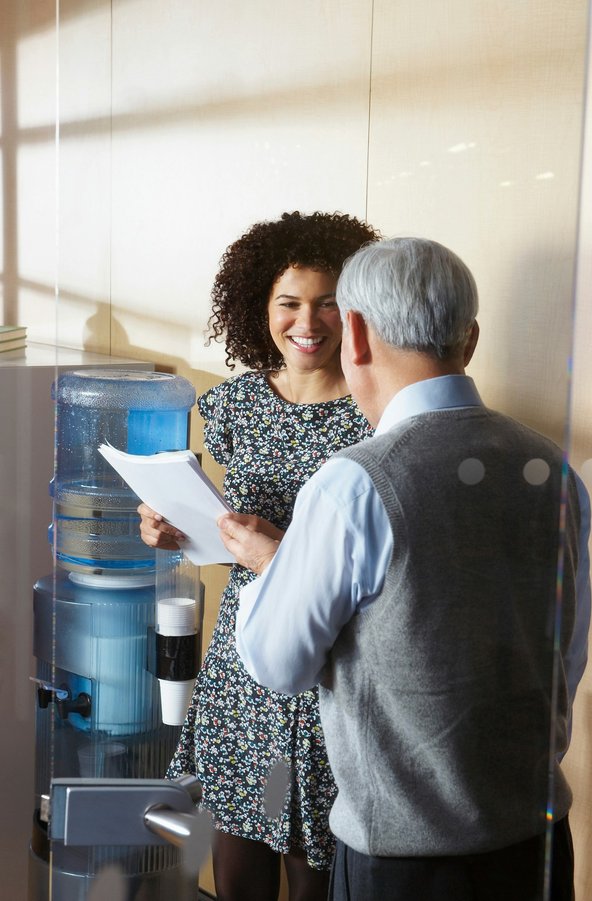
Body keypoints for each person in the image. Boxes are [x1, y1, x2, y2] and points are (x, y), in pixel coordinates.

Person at [220, 236, 591, 901]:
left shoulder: (354, 485)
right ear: (469, 338)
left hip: (405, 863)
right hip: (537, 846)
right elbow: (566, 658)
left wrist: (270, 567)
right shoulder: (554, 470)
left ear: (353, 333)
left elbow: (277, 663)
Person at [138, 210, 379, 901]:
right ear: (260, 307)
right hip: (242, 669)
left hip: (330, 669)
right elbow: (231, 537)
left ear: (356, 308)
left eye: (329, 301)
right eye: (290, 302)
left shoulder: (376, 411)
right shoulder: (233, 405)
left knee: (315, 875)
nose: (309, 320)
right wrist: (176, 530)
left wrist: (281, 552)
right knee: (235, 870)